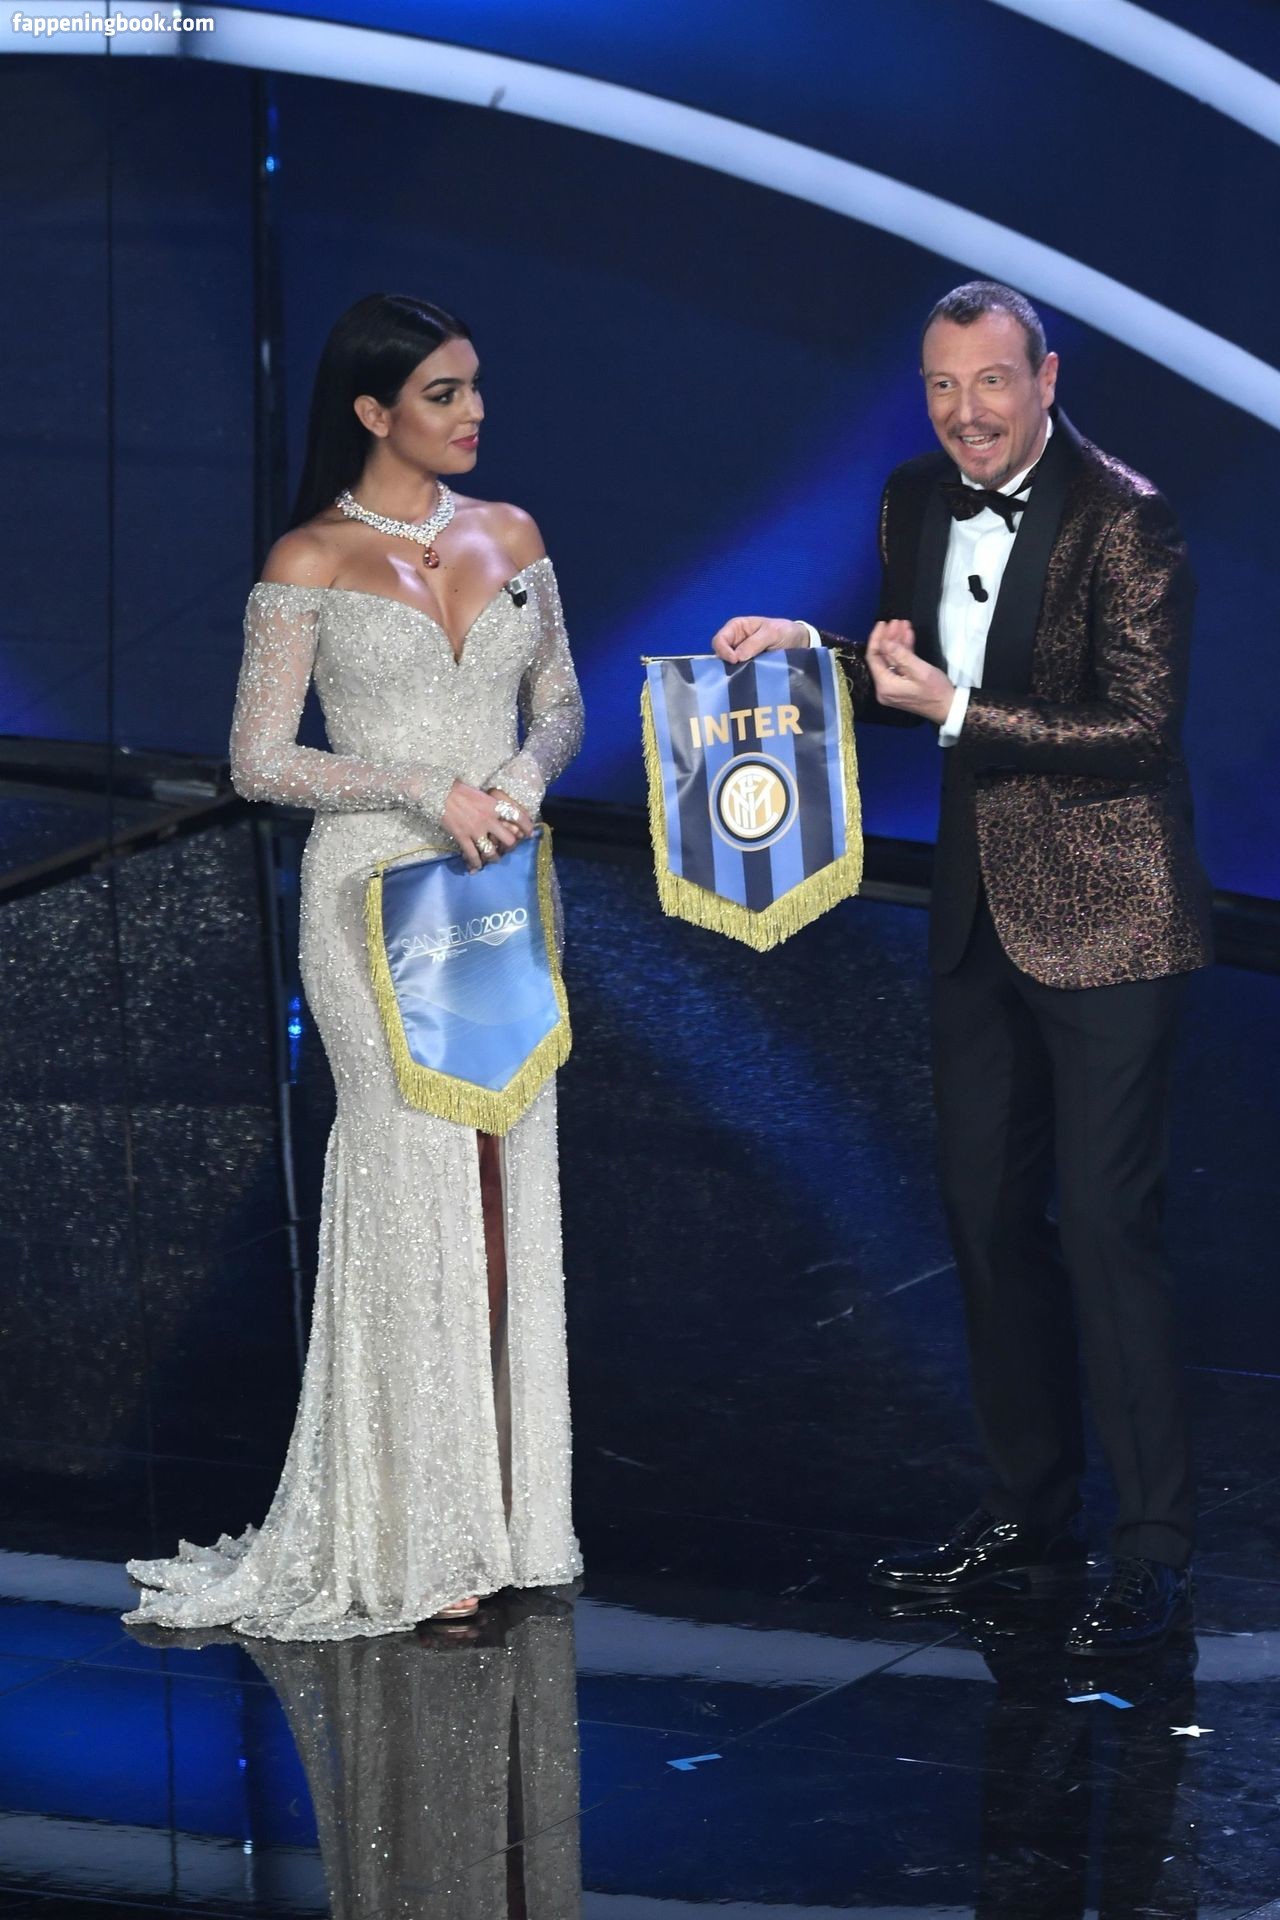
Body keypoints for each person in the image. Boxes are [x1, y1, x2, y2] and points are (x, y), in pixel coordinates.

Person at [711, 281, 1213, 1657]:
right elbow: (910, 678)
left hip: (1112, 918)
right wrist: (810, 654)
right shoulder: (912, 500)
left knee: (1105, 1228)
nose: (966, 413)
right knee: (988, 1221)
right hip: (978, 914)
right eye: (942, 386)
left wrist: (959, 708)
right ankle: (1026, 1518)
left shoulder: (1128, 518)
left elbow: (1140, 729)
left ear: (1046, 379)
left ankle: (1154, 1550)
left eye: (991, 382)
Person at [125, 292, 585, 1638]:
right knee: (409, 1175)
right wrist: (424, 787)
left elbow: (560, 702)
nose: (474, 412)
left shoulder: (514, 535)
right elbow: (259, 759)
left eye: (475, 385)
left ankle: (511, 1512)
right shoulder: (311, 559)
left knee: (504, 1173)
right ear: (374, 411)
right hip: (372, 898)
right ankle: (418, 1527)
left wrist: (515, 779)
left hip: (499, 886)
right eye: (444, 393)